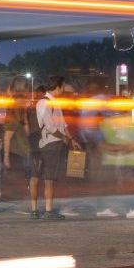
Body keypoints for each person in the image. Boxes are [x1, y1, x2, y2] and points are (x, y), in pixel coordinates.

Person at [34, 76, 79, 220]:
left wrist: (71, 139)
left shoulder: (54, 103)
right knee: (48, 179)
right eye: (63, 86)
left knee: (51, 178)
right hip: (50, 144)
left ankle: (49, 210)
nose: (64, 89)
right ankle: (48, 211)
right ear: (58, 87)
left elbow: (63, 124)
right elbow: (51, 127)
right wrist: (64, 138)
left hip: (56, 144)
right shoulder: (44, 102)